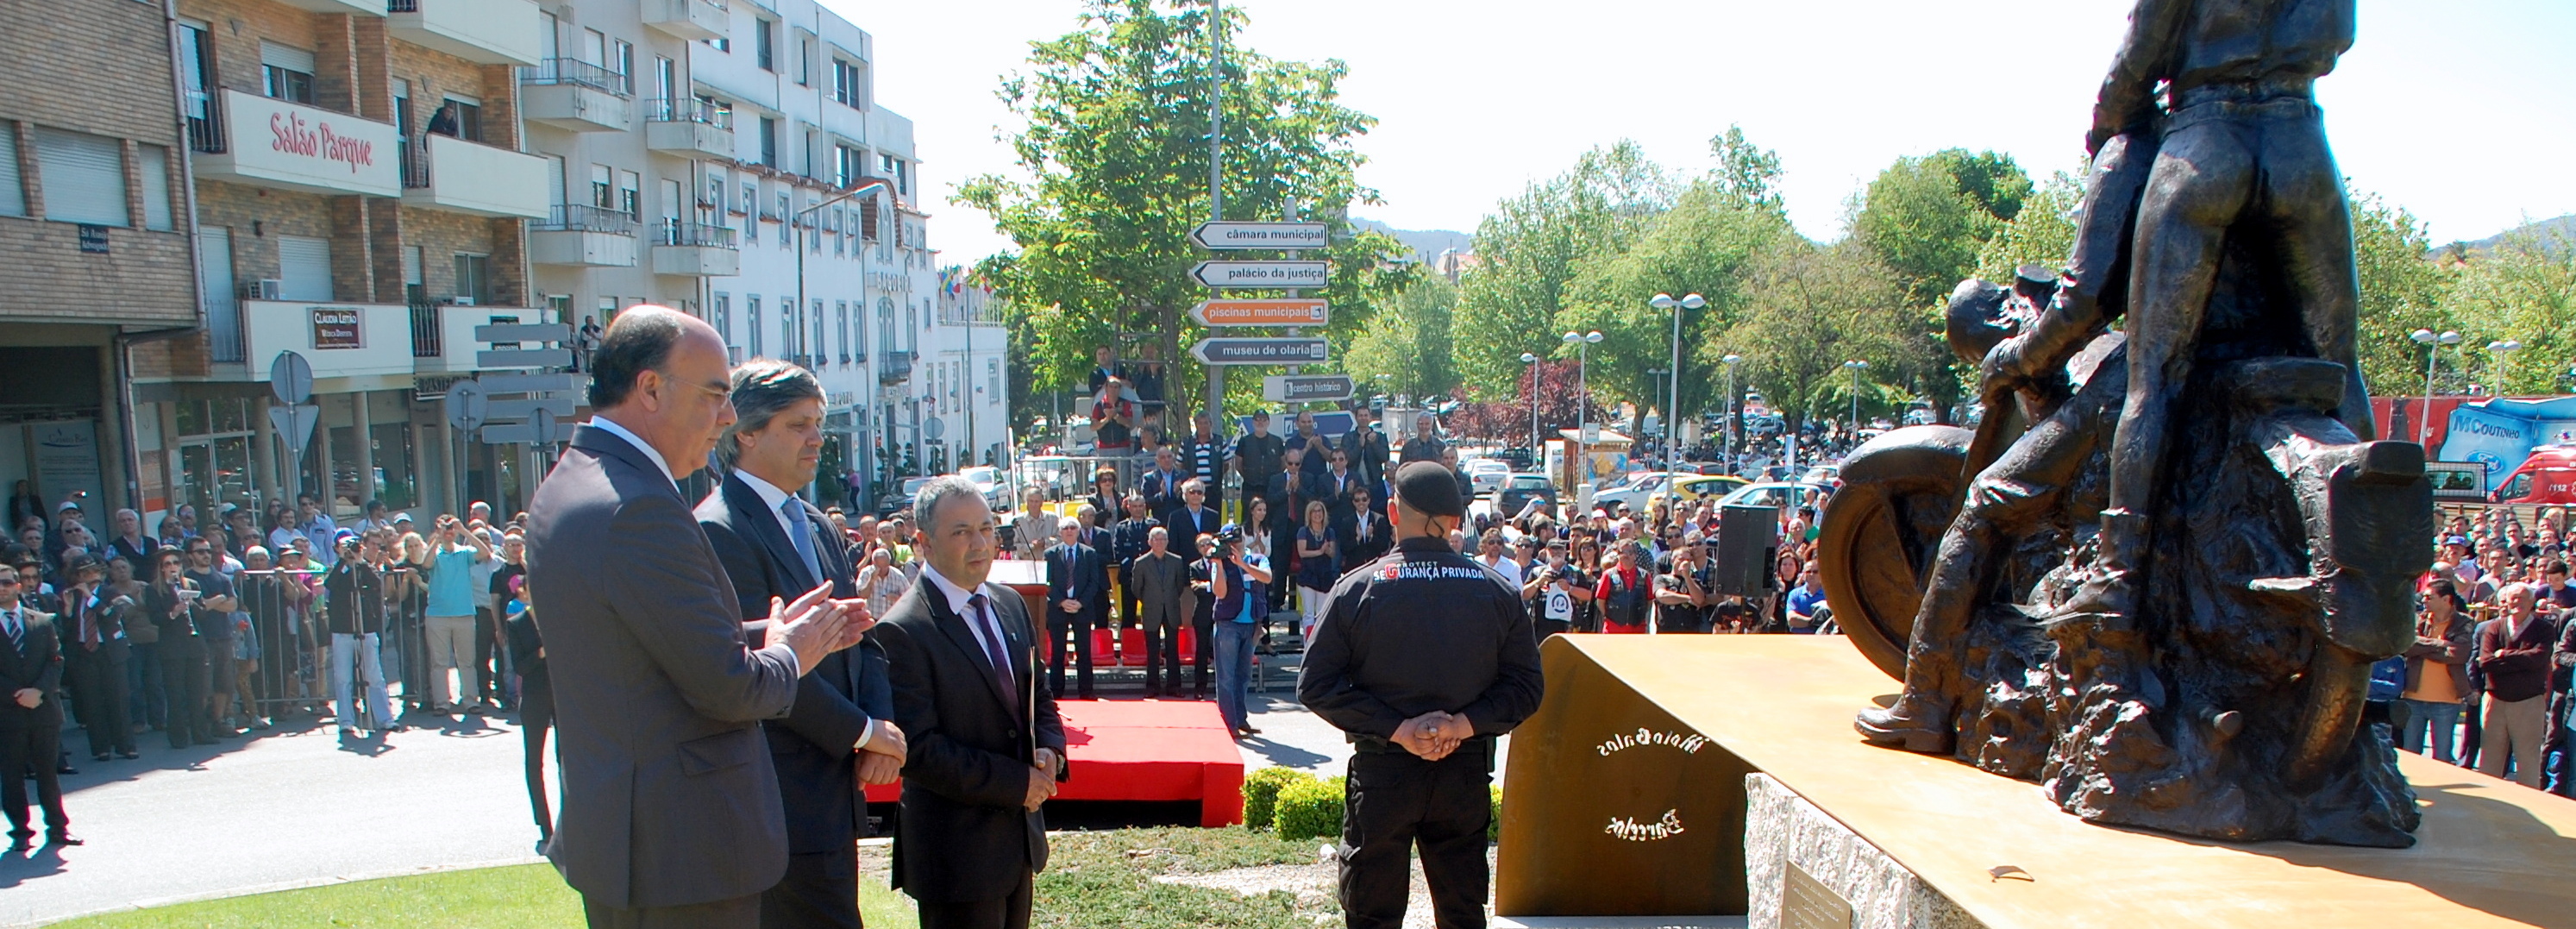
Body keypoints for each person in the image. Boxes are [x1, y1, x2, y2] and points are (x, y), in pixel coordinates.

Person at [526, 307, 868, 928]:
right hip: (683, 853)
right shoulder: (639, 507)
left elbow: (642, 643)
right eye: (714, 394)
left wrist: (771, 634)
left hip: (635, 842)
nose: (728, 415)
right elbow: (728, 687)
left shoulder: (574, 482)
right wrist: (790, 653)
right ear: (650, 388)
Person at [693, 358, 904, 929]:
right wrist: (863, 732)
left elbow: (863, 638)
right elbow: (759, 671)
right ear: (745, 433)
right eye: (798, 424)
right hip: (776, 799)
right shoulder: (720, 529)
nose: (817, 438)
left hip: (832, 793)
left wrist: (879, 727)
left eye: (818, 421)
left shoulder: (812, 522)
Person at [1298, 461, 1544, 929]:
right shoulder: (1497, 591)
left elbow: (1315, 684)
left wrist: (1398, 728)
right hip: (1462, 772)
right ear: (1454, 521)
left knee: (1372, 914)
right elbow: (1527, 688)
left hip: (1384, 774)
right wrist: (1463, 725)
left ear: (1393, 511)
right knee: (1461, 913)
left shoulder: (1358, 589)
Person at [872, 477, 1068, 929]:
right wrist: (1016, 782)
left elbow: (1038, 695)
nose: (980, 543)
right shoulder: (903, 630)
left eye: (986, 528)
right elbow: (918, 750)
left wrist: (1050, 750)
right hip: (955, 856)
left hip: (1017, 842)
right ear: (923, 543)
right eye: (961, 532)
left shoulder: (1009, 604)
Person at [1, 559, 77, 849]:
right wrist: (19, 694)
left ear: (18, 586)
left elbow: (56, 660)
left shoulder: (42, 621)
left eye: (8, 582)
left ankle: (58, 828)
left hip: (44, 710)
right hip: (8, 712)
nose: (2, 588)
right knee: (12, 775)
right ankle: (20, 832)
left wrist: (40, 692)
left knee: (48, 773)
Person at [2476, 583, 2556, 788]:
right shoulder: (2494, 627)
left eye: (2521, 598)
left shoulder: (2544, 629)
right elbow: (2485, 662)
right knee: (2489, 761)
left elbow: (2538, 660)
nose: (2516, 602)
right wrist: (2521, 660)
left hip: (2528, 703)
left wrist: (2503, 654)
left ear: (2532, 602)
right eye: (2512, 598)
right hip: (2494, 702)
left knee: (2528, 762)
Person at [416, 514, 496, 715]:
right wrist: (438, 537)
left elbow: (485, 552)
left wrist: (463, 531)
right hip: (437, 615)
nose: (449, 531)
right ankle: (442, 703)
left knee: (467, 661)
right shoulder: (434, 551)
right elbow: (426, 564)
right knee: (439, 663)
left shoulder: (464, 552)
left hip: (465, 614)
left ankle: (470, 700)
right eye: (446, 527)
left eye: (451, 527)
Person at [64, 554, 136, 761]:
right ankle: (100, 747)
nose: (90, 576)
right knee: (93, 701)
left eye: (93, 571)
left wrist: (90, 596)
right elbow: (68, 629)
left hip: (110, 651)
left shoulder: (109, 591)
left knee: (118, 698)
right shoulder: (73, 595)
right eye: (84, 573)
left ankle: (126, 745)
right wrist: (68, 610)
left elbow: (110, 615)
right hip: (85, 652)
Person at [1205, 524, 1272, 738]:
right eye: (1229, 541)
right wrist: (1219, 565)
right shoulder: (1220, 561)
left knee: (1243, 676)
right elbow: (1220, 592)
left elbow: (1267, 578)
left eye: (1237, 538)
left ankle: (1241, 719)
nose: (1234, 544)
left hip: (1251, 623)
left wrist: (1242, 564)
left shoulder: (1257, 558)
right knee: (1226, 677)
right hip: (1228, 624)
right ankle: (1228, 723)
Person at [2398, 580, 2473, 763]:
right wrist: (2440, 645)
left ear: (2446, 599)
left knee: (2442, 760)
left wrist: (2423, 646)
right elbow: (2407, 647)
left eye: (2429, 597)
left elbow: (2459, 654)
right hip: (2413, 698)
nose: (2424, 600)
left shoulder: (2464, 622)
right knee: (2410, 756)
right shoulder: (2418, 620)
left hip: (2446, 702)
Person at [505, 576, 554, 845]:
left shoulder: (559, 619)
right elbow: (520, 666)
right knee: (534, 763)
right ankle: (544, 825)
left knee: (567, 761)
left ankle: (571, 821)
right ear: (525, 593)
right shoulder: (517, 624)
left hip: (560, 697)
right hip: (534, 698)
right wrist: (542, 653)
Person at [1042, 521, 1106, 700]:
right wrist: (1061, 601)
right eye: (1065, 528)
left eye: (1073, 528)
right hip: (1058, 608)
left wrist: (1080, 603)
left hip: (1082, 609)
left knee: (1084, 651)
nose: (1069, 531)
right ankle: (1056, 691)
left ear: (1078, 531)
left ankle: (1086, 690)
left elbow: (1094, 582)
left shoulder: (1089, 553)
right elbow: (1047, 583)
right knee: (1058, 652)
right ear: (1060, 532)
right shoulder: (1050, 554)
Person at [1128, 526, 1192, 698]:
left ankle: (1174, 686)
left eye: (1163, 539)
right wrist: (1150, 600)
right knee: (1152, 650)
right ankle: (1152, 687)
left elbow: (1179, 586)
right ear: (1149, 542)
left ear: (1167, 542)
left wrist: (1168, 599)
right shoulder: (1141, 563)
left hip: (1171, 609)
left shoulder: (1176, 561)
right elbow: (1136, 589)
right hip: (1151, 609)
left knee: (1173, 649)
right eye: (1156, 539)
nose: (1159, 542)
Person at [1294, 501, 1340, 639]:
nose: (1317, 514)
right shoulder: (1303, 531)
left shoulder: (1329, 531)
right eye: (1314, 511)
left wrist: (1327, 550)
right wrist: (1320, 551)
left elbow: (1332, 553)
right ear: (1309, 514)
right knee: (1308, 613)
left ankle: (1319, 645)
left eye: (1320, 511)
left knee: (1321, 613)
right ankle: (1307, 645)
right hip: (1308, 576)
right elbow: (1302, 553)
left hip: (1324, 576)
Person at [1593, 542, 1652, 634]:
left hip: (1637, 630)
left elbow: (1649, 601)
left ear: (1635, 555)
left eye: (1630, 552)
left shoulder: (1644, 576)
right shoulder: (1608, 575)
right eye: (1622, 552)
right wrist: (1612, 616)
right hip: (1613, 629)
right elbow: (1600, 601)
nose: (1626, 555)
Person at [1341, 406, 1393, 499]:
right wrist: (1359, 446)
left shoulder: (1380, 437)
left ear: (1370, 417)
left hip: (1375, 483)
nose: (1363, 418)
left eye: (1366, 415)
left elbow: (1385, 458)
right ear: (1356, 418)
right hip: (1354, 483)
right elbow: (1346, 461)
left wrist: (1374, 444)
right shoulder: (1348, 437)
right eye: (1360, 416)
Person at [1340, 485, 1393, 568]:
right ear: (1353, 502)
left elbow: (1384, 546)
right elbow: (1343, 549)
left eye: (1364, 499)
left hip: (1374, 565)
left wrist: (1371, 537)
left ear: (1369, 500)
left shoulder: (1379, 519)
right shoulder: (1347, 522)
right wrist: (1357, 539)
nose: (1361, 503)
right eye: (1357, 500)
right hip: (1354, 567)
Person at [1012, 487, 1061, 562]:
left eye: (1036, 501)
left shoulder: (1052, 519)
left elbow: (1061, 541)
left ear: (1042, 503)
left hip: (1049, 564)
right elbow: (1013, 546)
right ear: (1026, 502)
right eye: (1031, 501)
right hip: (1026, 565)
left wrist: (1046, 543)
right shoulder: (1017, 521)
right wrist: (1031, 547)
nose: (1033, 504)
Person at [1783, 565, 1830, 634]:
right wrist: (1814, 621)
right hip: (1799, 639)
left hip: (1824, 639)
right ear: (1803, 574)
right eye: (1808, 571)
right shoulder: (1795, 594)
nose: (1811, 574)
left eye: (1815, 572)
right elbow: (1791, 619)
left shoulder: (1829, 595)